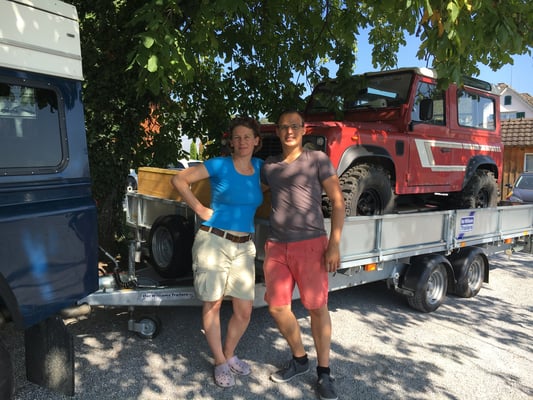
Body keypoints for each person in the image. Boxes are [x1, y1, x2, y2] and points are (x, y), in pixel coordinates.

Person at [171, 116, 263, 388]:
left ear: (257, 141)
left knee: (244, 309)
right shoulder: (219, 164)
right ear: (231, 142)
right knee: (213, 304)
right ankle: (220, 360)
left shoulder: (261, 168)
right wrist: (200, 209)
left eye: (247, 137)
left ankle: (230, 353)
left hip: (244, 245)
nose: (242, 142)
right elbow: (179, 180)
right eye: (237, 137)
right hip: (214, 241)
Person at [260, 110, 345, 400]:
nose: (289, 131)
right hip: (276, 246)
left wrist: (334, 244)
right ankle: (299, 359)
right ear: (277, 131)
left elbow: (338, 202)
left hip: (311, 245)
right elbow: (252, 193)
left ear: (304, 129)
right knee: (276, 308)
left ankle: (324, 373)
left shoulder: (317, 159)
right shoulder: (270, 166)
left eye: (294, 126)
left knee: (317, 308)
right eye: (283, 127)